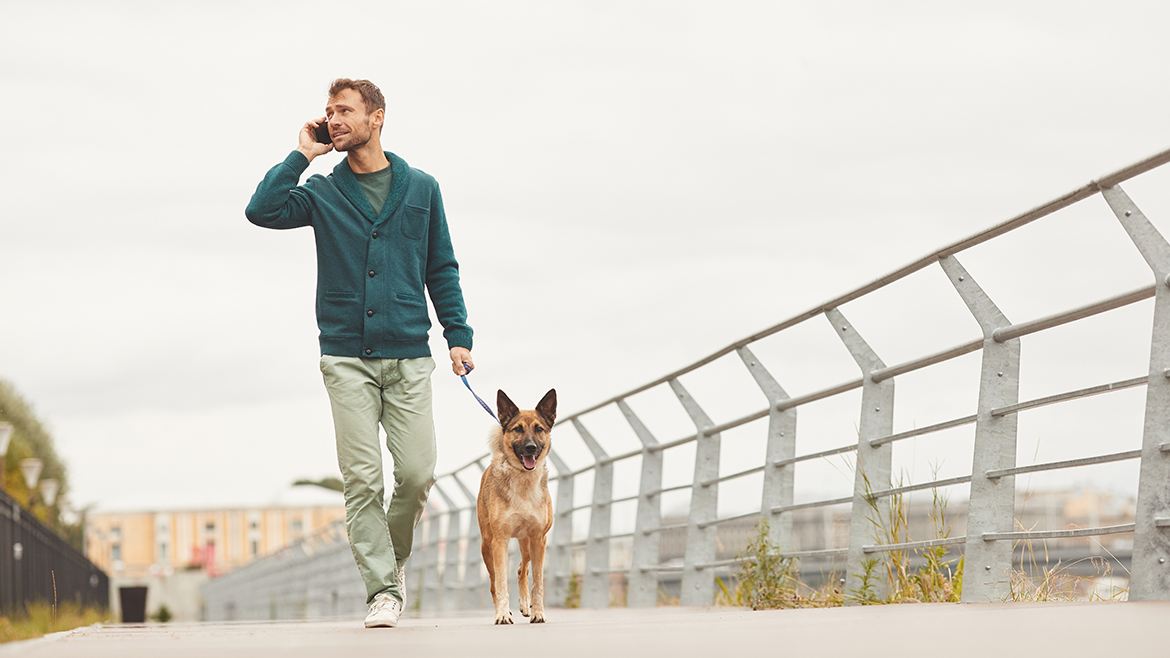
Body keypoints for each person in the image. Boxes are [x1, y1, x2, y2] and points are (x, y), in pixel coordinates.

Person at [244, 78, 474, 628]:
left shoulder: (421, 188)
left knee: (418, 474)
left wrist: (457, 334)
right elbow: (261, 210)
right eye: (329, 112)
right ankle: (382, 590)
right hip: (345, 356)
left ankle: (387, 567)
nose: (334, 119)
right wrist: (302, 153)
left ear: (378, 117)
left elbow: (440, 265)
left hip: (410, 355)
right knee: (363, 479)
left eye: (344, 110)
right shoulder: (323, 191)